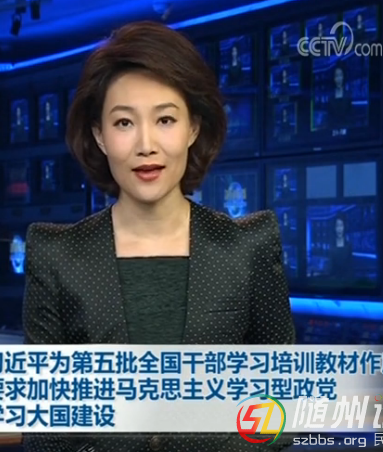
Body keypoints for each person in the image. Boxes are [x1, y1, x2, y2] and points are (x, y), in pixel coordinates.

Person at [23, 21, 295, 452]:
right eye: (124, 122)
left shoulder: (248, 247)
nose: (146, 144)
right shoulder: (57, 256)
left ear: (193, 127)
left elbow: (282, 411)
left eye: (165, 119)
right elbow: (46, 436)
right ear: (99, 135)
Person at [326, 66, 352, 130]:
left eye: (340, 75)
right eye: (336, 76)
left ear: (343, 77)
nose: (339, 78)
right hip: (333, 127)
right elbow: (329, 117)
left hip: (347, 127)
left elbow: (351, 115)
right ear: (334, 78)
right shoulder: (330, 97)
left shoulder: (348, 94)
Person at [328, 214, 353, 279]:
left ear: (344, 227)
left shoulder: (348, 246)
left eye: (341, 225)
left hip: (346, 281)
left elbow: (350, 267)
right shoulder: (331, 245)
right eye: (337, 226)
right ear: (334, 228)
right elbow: (330, 268)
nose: (339, 229)